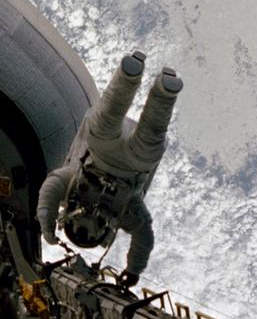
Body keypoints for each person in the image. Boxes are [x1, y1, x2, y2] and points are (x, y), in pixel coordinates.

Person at [36, 51, 182, 286]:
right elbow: (144, 237)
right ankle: (165, 92)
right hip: (133, 164)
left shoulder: (68, 189)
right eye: (89, 233)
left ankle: (128, 74)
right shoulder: (127, 212)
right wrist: (134, 269)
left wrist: (46, 223)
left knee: (108, 115)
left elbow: (50, 188)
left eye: (78, 230)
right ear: (103, 232)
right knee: (149, 137)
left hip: (101, 152)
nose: (86, 221)